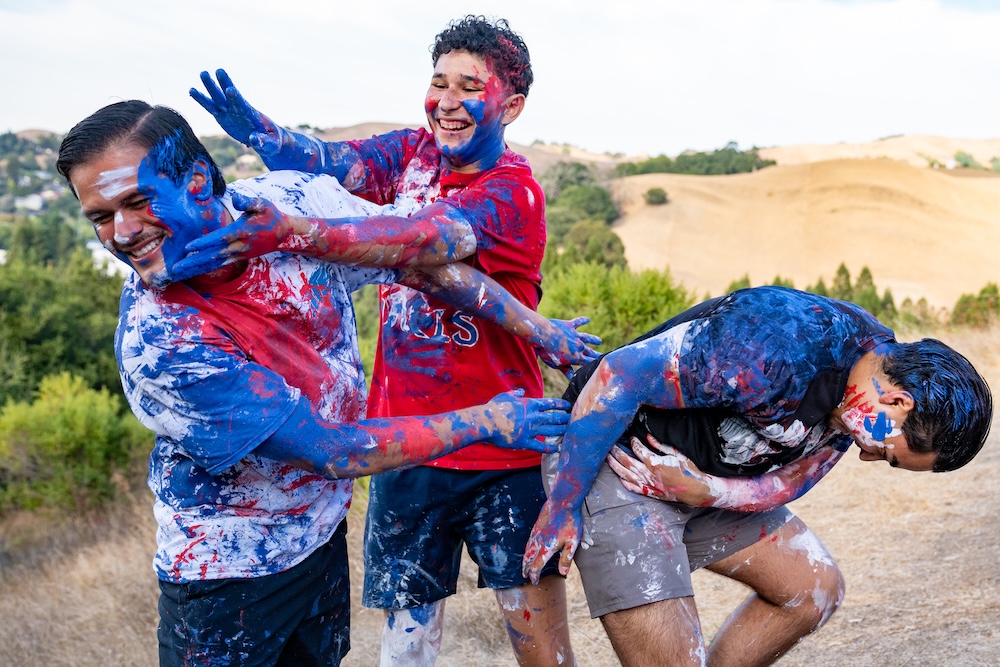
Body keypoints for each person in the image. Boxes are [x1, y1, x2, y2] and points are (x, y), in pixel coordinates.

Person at [55, 99, 596, 667]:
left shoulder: (291, 203)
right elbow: (331, 449)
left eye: (138, 202)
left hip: (320, 540)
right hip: (227, 579)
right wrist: (489, 419)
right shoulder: (161, 342)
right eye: (100, 216)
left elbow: (417, 264)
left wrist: (538, 331)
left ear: (195, 181)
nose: (122, 232)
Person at [191, 15, 578, 666]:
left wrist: (290, 229)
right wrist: (261, 131)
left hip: (505, 449)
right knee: (406, 650)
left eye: (469, 86)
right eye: (438, 82)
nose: (447, 102)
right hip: (404, 452)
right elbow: (333, 163)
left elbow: (419, 242)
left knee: (542, 650)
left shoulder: (514, 192)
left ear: (510, 105)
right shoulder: (409, 154)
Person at [522, 286, 993, 667]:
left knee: (814, 590)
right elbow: (615, 377)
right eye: (889, 453)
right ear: (898, 402)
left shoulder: (863, 397)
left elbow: (794, 480)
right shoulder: (782, 346)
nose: (870, 459)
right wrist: (563, 505)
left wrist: (706, 490)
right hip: (618, 458)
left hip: (696, 482)